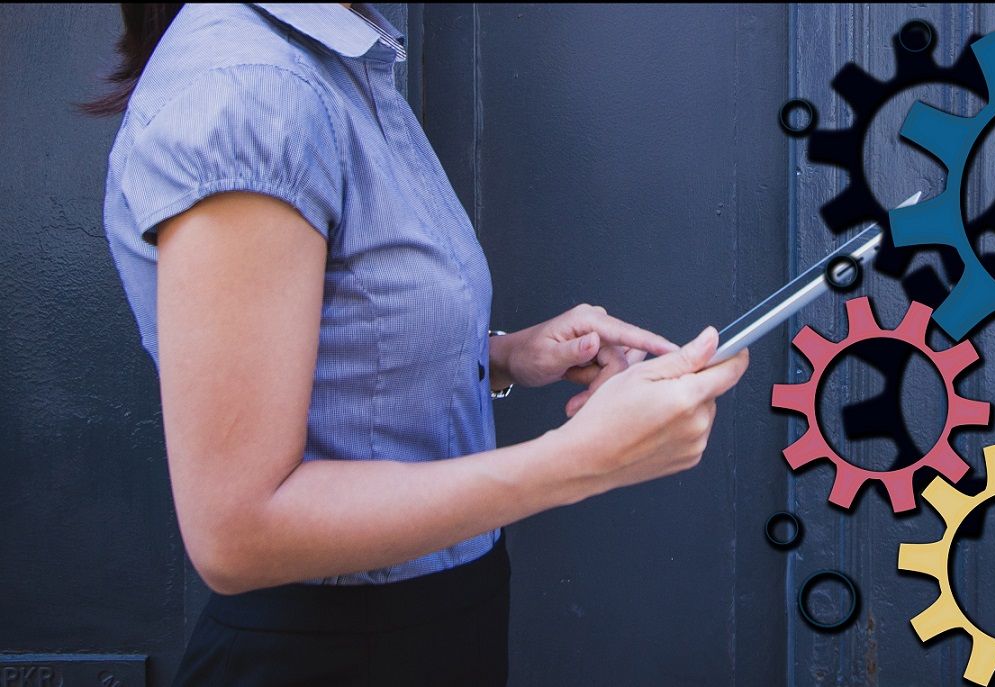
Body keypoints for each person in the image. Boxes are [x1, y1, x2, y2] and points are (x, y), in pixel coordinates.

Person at [87, 4, 750, 684]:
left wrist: (503, 356)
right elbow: (239, 531)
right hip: (335, 655)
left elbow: (333, 343)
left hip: (428, 628)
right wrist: (585, 459)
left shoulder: (332, 60)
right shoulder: (249, 90)